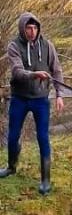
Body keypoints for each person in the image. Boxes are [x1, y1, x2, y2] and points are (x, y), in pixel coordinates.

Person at [0, 12, 64, 194]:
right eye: (28, 27)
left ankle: (45, 180)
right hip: (19, 98)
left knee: (42, 137)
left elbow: (57, 71)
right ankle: (11, 167)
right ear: (23, 28)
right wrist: (35, 74)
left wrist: (60, 94)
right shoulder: (14, 46)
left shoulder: (47, 46)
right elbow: (17, 72)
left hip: (41, 99)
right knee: (13, 137)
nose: (32, 31)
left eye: (35, 27)